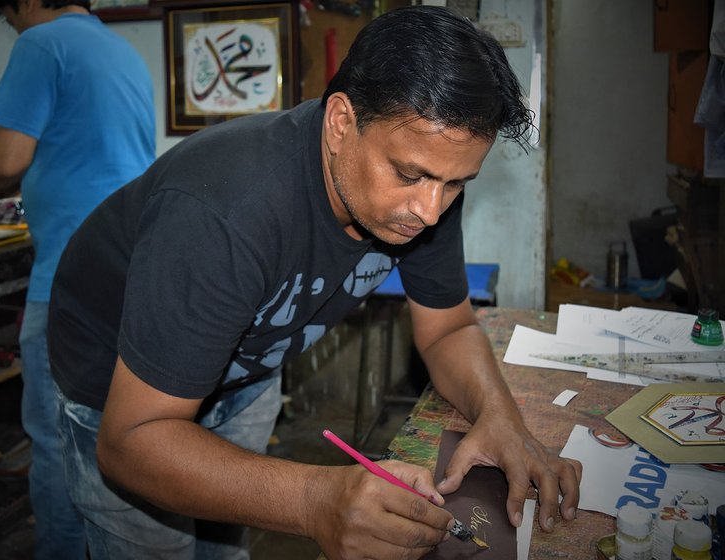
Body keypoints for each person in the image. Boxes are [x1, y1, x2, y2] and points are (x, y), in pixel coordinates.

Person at [48, 6, 581, 560]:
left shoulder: (428, 186)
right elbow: (131, 441)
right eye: (408, 174)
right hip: (121, 387)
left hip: (243, 369)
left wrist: (500, 415)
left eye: (454, 184)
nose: (428, 211)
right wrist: (312, 501)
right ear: (341, 123)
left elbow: (447, 328)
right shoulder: (225, 211)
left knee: (223, 547)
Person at [0, 0, 155, 557]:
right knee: (118, 438)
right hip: (130, 274)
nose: (12, 27)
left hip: (70, 281)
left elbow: (3, 164)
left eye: (9, 16)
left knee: (58, 442)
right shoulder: (122, 51)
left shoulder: (42, 44)